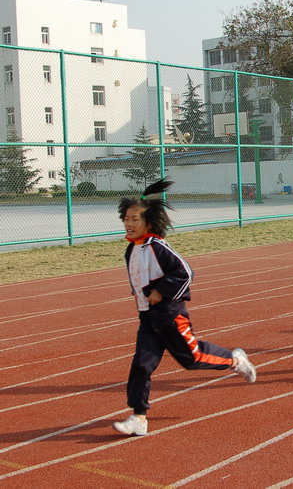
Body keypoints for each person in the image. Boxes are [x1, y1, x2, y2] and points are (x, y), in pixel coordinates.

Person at [113, 178, 256, 437]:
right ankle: (139, 416)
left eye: (135, 219)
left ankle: (236, 360)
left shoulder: (158, 247)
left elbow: (186, 273)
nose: (129, 223)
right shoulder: (130, 250)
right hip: (147, 319)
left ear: (149, 221)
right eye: (126, 218)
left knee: (192, 360)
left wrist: (160, 291)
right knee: (141, 365)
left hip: (170, 316)